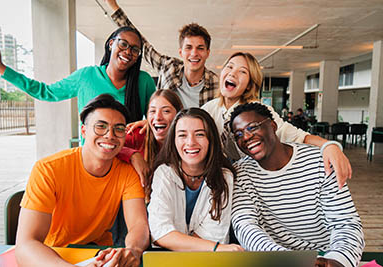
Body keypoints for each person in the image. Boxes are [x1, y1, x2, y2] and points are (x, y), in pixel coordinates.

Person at [15, 94, 149, 267]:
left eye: (119, 129)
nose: (110, 135)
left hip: (99, 255)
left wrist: (133, 250)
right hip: (53, 255)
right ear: (84, 131)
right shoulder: (48, 169)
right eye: (101, 126)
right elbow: (26, 245)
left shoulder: (128, 173)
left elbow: (139, 225)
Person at [229, 102, 364, 267]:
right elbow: (246, 227)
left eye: (252, 127)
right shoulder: (240, 173)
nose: (246, 137)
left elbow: (345, 223)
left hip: (325, 256)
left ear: (273, 125)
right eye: (238, 134)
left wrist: (337, 260)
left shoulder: (320, 162)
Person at [201, 52, 352, 187]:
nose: (232, 74)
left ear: (249, 85)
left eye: (242, 72)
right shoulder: (210, 108)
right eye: (229, 67)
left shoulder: (256, 112)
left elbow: (297, 135)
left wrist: (329, 145)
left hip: (258, 180)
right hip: (224, 177)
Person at [0, 26, 155, 122]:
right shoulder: (86, 76)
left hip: (131, 165)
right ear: (111, 44)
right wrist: (0, 67)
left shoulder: (144, 81)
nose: (128, 51)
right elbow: (46, 92)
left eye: (135, 49)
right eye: (123, 44)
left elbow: (155, 120)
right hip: (92, 164)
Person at [147, 108, 243, 251]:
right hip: (166, 257)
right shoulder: (164, 173)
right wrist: (217, 248)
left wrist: (175, 241)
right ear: (173, 140)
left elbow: (213, 234)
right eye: (182, 135)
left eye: (199, 134)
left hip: (205, 260)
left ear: (211, 140)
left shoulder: (224, 177)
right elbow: (160, 233)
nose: (190, 142)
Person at [105, 0, 218, 108]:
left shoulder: (215, 82)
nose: (194, 53)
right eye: (188, 48)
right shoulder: (169, 67)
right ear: (181, 52)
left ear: (207, 53)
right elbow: (142, 43)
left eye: (200, 48)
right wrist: (114, 7)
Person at [119, 89, 183, 192]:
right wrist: (132, 155)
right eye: (152, 111)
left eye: (166, 111)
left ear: (178, 114)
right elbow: (110, 145)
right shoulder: (138, 134)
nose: (158, 117)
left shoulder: (186, 141)